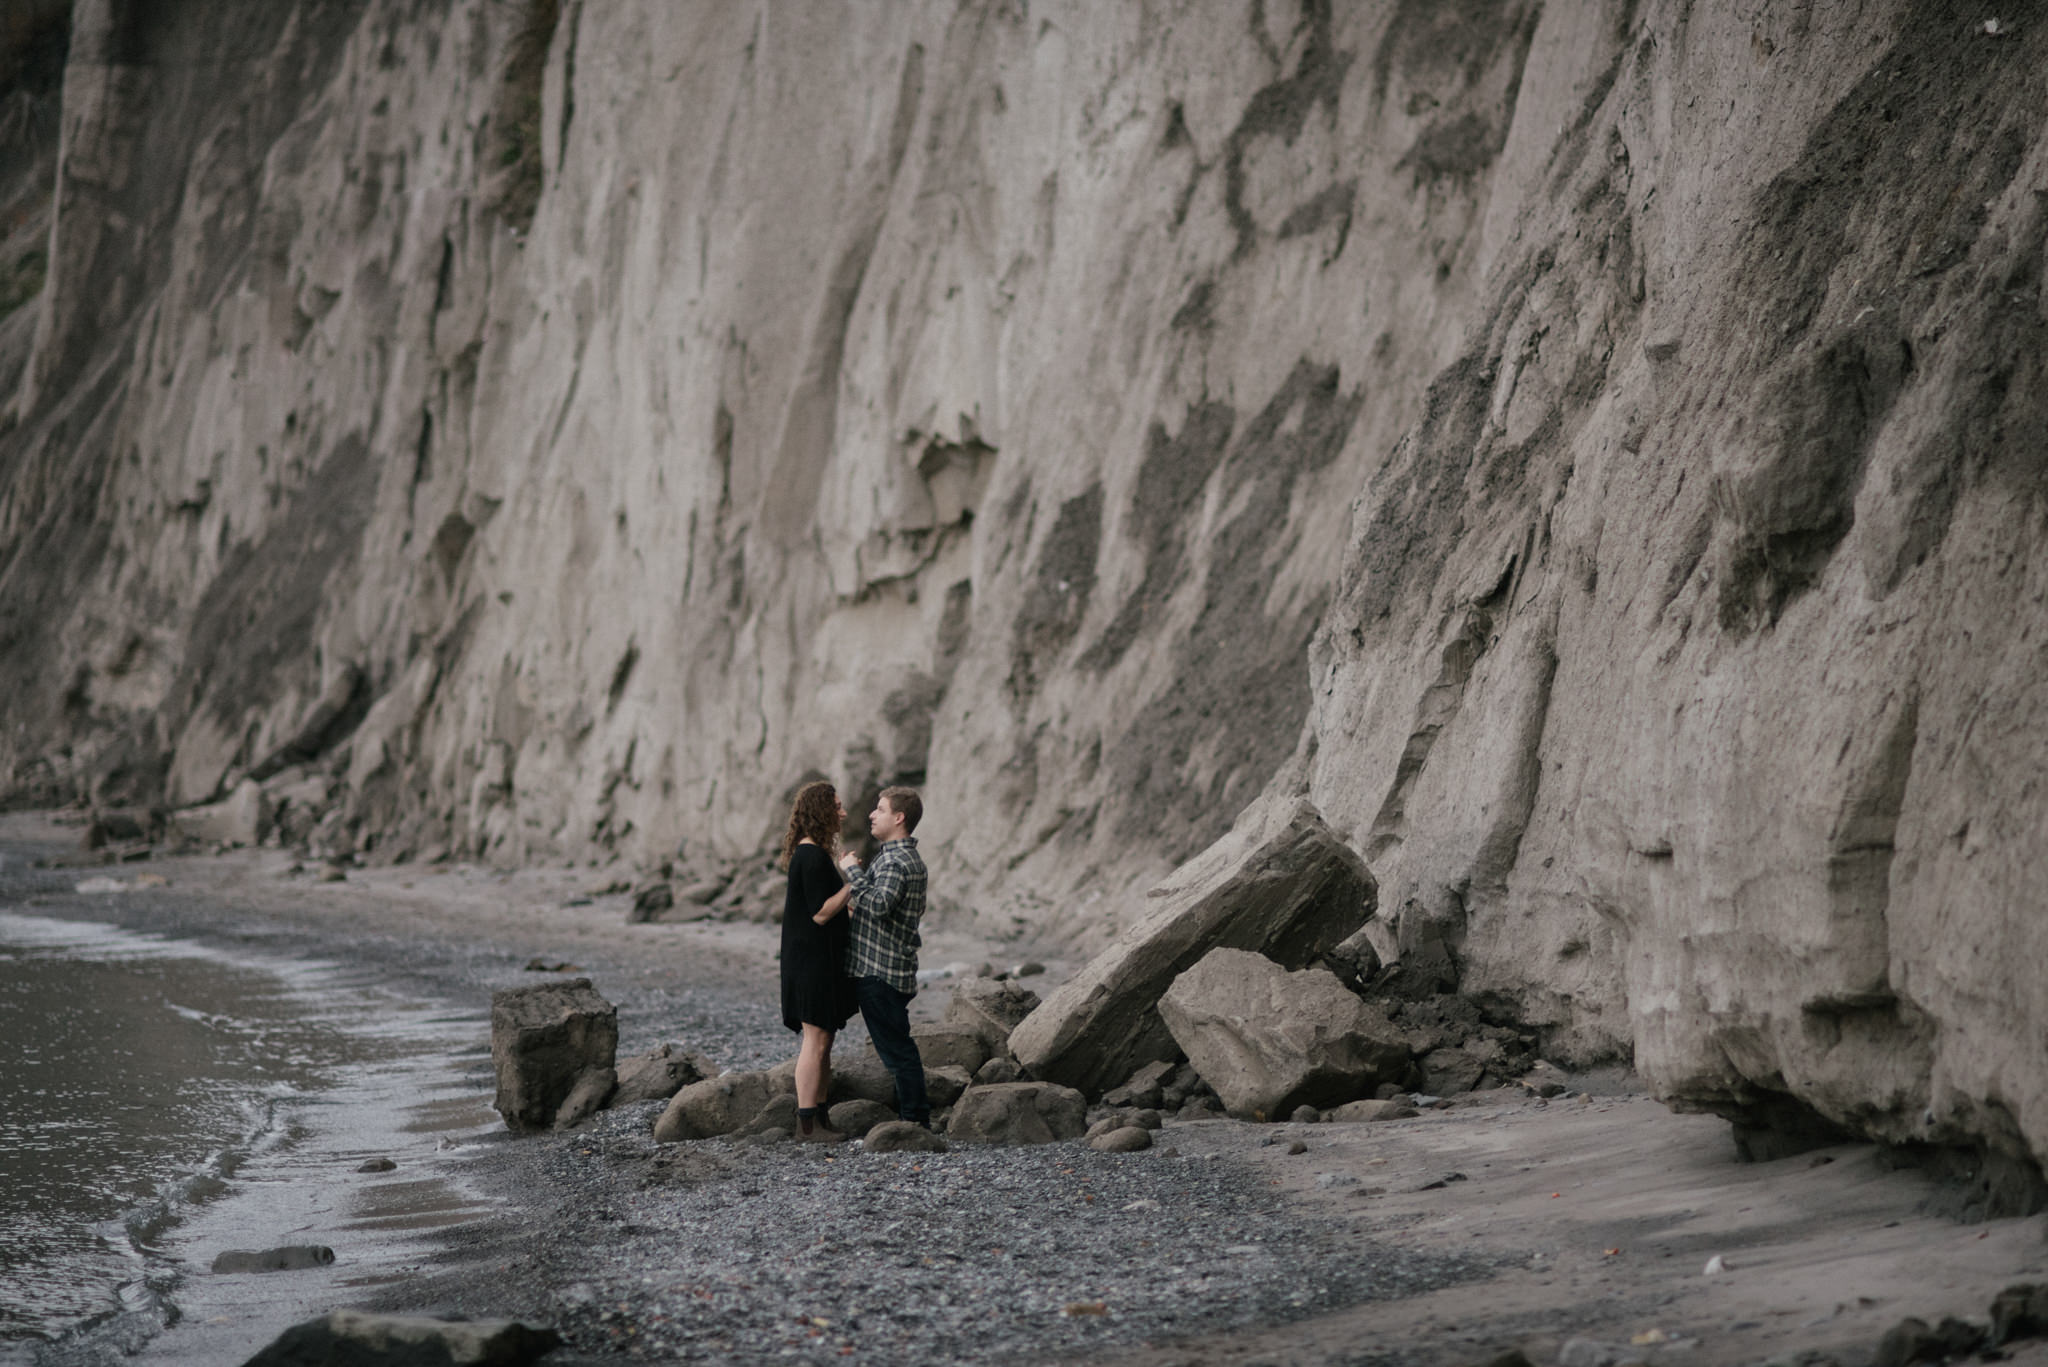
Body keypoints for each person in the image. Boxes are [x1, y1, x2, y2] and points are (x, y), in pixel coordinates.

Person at [818, 786, 931, 1128]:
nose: (871, 814)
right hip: (879, 969)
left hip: (881, 973)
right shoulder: (892, 856)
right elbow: (876, 908)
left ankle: (914, 1122)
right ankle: (911, 1116)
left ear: (899, 818)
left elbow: (879, 905)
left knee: (898, 1052)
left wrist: (851, 871)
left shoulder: (897, 860)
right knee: (894, 1047)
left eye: (879, 809)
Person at [778, 780, 856, 1142]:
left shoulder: (812, 854)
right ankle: (806, 1124)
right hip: (809, 963)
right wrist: (853, 884)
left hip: (817, 961)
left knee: (824, 1041)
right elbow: (821, 914)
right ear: (821, 811)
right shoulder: (809, 856)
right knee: (815, 1041)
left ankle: (820, 1119)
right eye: (837, 806)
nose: (842, 812)